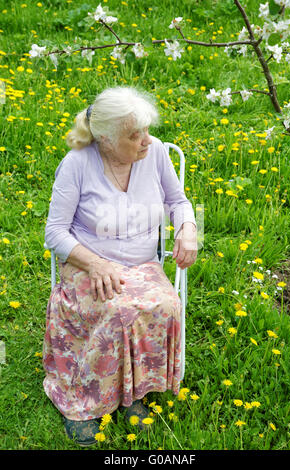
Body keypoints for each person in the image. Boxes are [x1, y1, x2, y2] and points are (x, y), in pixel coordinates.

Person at [43, 86, 197, 446]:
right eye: (135, 135)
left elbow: (179, 201)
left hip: (142, 264)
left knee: (164, 303)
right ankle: (85, 402)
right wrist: (94, 264)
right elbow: (55, 232)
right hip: (87, 264)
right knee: (116, 310)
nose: (146, 140)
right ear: (107, 140)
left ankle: (136, 391)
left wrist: (189, 229)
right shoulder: (78, 163)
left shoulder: (155, 152)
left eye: (146, 130)